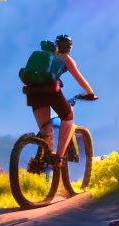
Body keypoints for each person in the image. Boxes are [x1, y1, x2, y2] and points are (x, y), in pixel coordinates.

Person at [23, 34, 97, 165]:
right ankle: (58, 157)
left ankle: (44, 157)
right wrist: (90, 93)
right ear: (69, 47)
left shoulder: (45, 56)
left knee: (45, 128)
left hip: (32, 91)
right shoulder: (66, 59)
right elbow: (80, 79)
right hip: (51, 92)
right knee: (68, 117)